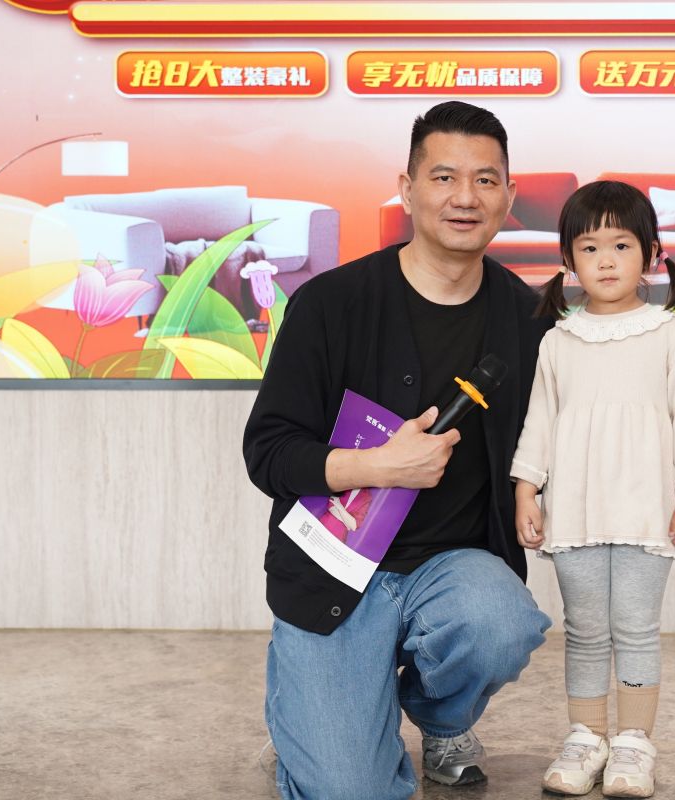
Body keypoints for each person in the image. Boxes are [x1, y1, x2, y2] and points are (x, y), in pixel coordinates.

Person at [242, 101, 554, 800]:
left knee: (500, 624)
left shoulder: (529, 321)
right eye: (443, 177)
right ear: (408, 189)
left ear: (507, 194)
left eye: (485, 179)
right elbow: (268, 452)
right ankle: (316, 711)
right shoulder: (330, 304)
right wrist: (377, 466)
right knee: (346, 787)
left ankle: (441, 720)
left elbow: (558, 446)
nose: (465, 197)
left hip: (454, 572)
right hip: (334, 577)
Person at [510, 181, 675, 798]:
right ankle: (587, 737)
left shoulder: (668, 335)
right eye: (590, 247)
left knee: (635, 628)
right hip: (574, 513)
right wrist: (527, 490)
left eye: (621, 245)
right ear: (568, 260)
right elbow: (540, 422)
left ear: (651, 254)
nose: (605, 260)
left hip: (644, 514)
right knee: (583, 630)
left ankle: (633, 744)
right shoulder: (558, 341)